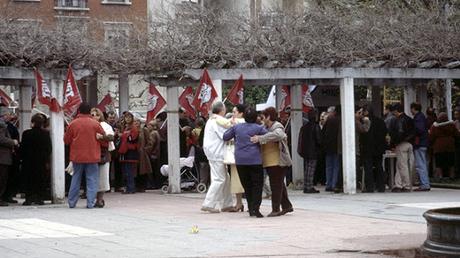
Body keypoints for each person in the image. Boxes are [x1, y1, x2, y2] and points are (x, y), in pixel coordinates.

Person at [224, 106, 268, 217]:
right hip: (255, 160)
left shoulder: (237, 127)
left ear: (244, 116)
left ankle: (250, 207)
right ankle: (256, 209)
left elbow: (225, 136)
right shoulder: (259, 128)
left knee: (247, 185)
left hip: (240, 160)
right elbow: (267, 136)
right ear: (255, 117)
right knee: (257, 185)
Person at [251, 107, 293, 217]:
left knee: (276, 185)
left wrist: (261, 138)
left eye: (263, 117)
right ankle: (287, 206)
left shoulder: (277, 126)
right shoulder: (264, 127)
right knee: (279, 185)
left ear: (268, 117)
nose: (262, 119)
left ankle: (276, 209)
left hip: (278, 161)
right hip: (269, 161)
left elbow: (279, 135)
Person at [65, 103, 105, 208]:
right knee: (92, 179)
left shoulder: (73, 124)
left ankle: (72, 202)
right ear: (89, 112)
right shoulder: (95, 124)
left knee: (76, 178)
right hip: (93, 155)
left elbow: (66, 140)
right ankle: (90, 203)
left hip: (77, 156)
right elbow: (103, 138)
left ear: (79, 111)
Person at [201, 101, 234, 213]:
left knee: (226, 178)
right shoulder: (218, 121)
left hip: (214, 152)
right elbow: (226, 135)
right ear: (222, 110)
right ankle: (209, 203)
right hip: (216, 153)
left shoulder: (212, 120)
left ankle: (227, 204)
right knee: (219, 179)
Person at [20, 114, 52, 205]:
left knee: (29, 179)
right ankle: (39, 198)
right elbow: (49, 148)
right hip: (41, 161)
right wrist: (46, 160)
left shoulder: (26, 133)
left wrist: (21, 158)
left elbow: (22, 148)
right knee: (40, 179)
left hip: (28, 161)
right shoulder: (45, 134)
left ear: (32, 122)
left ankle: (29, 198)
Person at [221, 105, 246, 212]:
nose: (233, 114)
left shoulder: (237, 124)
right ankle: (245, 203)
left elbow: (225, 136)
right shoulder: (249, 123)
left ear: (241, 113)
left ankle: (239, 203)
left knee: (237, 180)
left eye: (235, 112)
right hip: (249, 156)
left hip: (237, 155)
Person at [90, 108, 114, 208]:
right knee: (92, 178)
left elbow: (111, 137)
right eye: (91, 115)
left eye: (94, 115)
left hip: (103, 155)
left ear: (99, 116)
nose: (92, 117)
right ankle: (93, 199)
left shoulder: (105, 126)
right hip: (91, 155)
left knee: (103, 179)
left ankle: (99, 199)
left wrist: (102, 137)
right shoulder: (89, 125)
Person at [389, 103, 415, 192]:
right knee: (404, 165)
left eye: (393, 111)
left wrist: (394, 143)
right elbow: (413, 132)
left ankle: (406, 185)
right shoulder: (409, 119)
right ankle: (398, 184)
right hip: (410, 144)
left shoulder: (399, 120)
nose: (393, 113)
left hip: (401, 144)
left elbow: (400, 133)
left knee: (402, 166)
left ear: (396, 111)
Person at [360, 107, 387, 193]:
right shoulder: (380, 121)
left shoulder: (364, 122)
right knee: (379, 167)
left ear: (366, 112)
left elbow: (363, 135)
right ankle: (381, 186)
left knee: (368, 168)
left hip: (368, 148)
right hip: (379, 148)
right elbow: (385, 133)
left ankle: (370, 187)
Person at [429, 112, 460, 181]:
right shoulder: (451, 125)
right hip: (450, 145)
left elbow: (431, 136)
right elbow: (457, 134)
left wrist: (431, 143)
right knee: (451, 162)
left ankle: (440, 176)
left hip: (439, 146)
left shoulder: (435, 126)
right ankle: (452, 176)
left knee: (439, 162)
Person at [298, 110, 321, 193]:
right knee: (311, 169)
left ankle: (306, 186)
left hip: (305, 151)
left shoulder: (304, 127)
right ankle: (309, 186)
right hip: (313, 151)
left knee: (307, 169)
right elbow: (319, 140)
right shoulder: (315, 126)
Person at [0, 105, 19, 206]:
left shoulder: (5, 125)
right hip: (2, 157)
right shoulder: (1, 126)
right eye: (7, 114)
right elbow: (2, 140)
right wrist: (13, 142)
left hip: (4, 157)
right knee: (2, 179)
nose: (9, 116)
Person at [410, 103, 430, 191]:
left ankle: (424, 184)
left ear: (414, 108)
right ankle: (425, 183)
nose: (411, 111)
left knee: (420, 164)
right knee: (423, 164)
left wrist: (413, 133)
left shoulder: (418, 118)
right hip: (423, 142)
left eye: (411, 109)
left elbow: (419, 129)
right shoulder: (422, 117)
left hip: (419, 143)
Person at [118, 112, 139, 194]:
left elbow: (133, 139)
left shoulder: (133, 128)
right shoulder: (125, 128)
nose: (128, 119)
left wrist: (122, 135)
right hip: (124, 151)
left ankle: (131, 188)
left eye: (129, 117)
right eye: (126, 117)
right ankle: (128, 187)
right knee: (126, 171)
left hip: (130, 151)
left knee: (129, 171)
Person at [322, 106, 341, 192]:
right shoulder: (340, 120)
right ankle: (334, 184)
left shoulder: (329, 120)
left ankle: (328, 184)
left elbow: (323, 132)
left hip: (328, 146)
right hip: (337, 146)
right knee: (336, 165)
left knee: (328, 166)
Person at [146, 120, 163, 189]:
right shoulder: (157, 133)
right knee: (156, 170)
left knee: (152, 171)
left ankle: (152, 185)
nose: (147, 126)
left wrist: (146, 151)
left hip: (153, 154)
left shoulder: (153, 133)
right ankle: (157, 184)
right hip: (156, 154)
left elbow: (151, 144)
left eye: (149, 125)